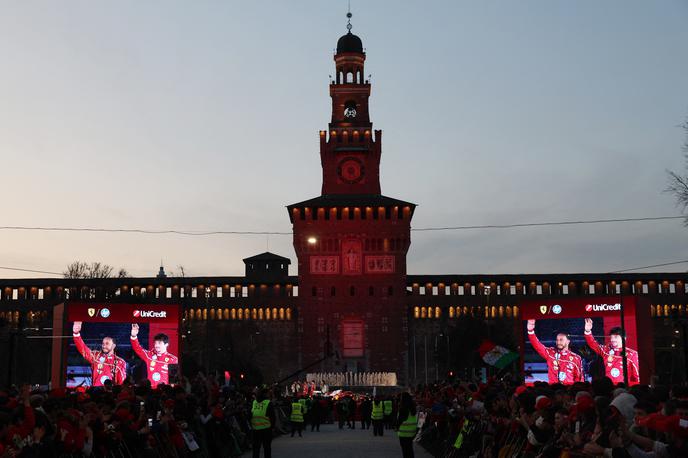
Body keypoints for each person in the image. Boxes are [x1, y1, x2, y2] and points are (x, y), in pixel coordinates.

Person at [583, 318, 640, 385]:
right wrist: (588, 331)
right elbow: (593, 344)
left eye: (615, 337)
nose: (612, 339)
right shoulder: (606, 350)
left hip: (623, 388)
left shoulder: (632, 354)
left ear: (624, 338)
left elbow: (637, 376)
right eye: (611, 337)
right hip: (607, 388)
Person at [526, 319, 584, 384]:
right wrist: (530, 331)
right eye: (557, 340)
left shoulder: (576, 358)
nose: (558, 342)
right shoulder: (550, 353)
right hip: (553, 389)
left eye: (561, 340)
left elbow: (579, 379)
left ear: (568, 341)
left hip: (569, 391)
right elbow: (537, 344)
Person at [72, 321, 126, 386]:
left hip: (111, 394)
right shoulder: (95, 356)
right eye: (103, 343)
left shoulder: (120, 362)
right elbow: (83, 349)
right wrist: (76, 333)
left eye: (107, 343)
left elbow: (122, 383)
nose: (104, 346)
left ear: (113, 346)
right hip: (96, 393)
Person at [130, 323, 179, 388]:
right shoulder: (149, 355)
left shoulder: (173, 359)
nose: (156, 345)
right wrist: (134, 336)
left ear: (166, 344)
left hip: (164, 392)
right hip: (150, 392)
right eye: (155, 343)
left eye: (159, 343)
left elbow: (173, 382)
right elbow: (137, 348)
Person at [250, 388, 275, 458]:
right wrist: (272, 427)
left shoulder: (254, 402)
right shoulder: (268, 403)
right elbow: (272, 417)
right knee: (267, 448)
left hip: (255, 429)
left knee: (256, 449)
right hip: (266, 429)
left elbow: (251, 413)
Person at [397, 392, 418, 458]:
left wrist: (396, 427)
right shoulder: (413, 408)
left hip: (403, 432)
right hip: (412, 432)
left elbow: (399, 421)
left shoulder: (403, 408)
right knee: (410, 449)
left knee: (405, 451)